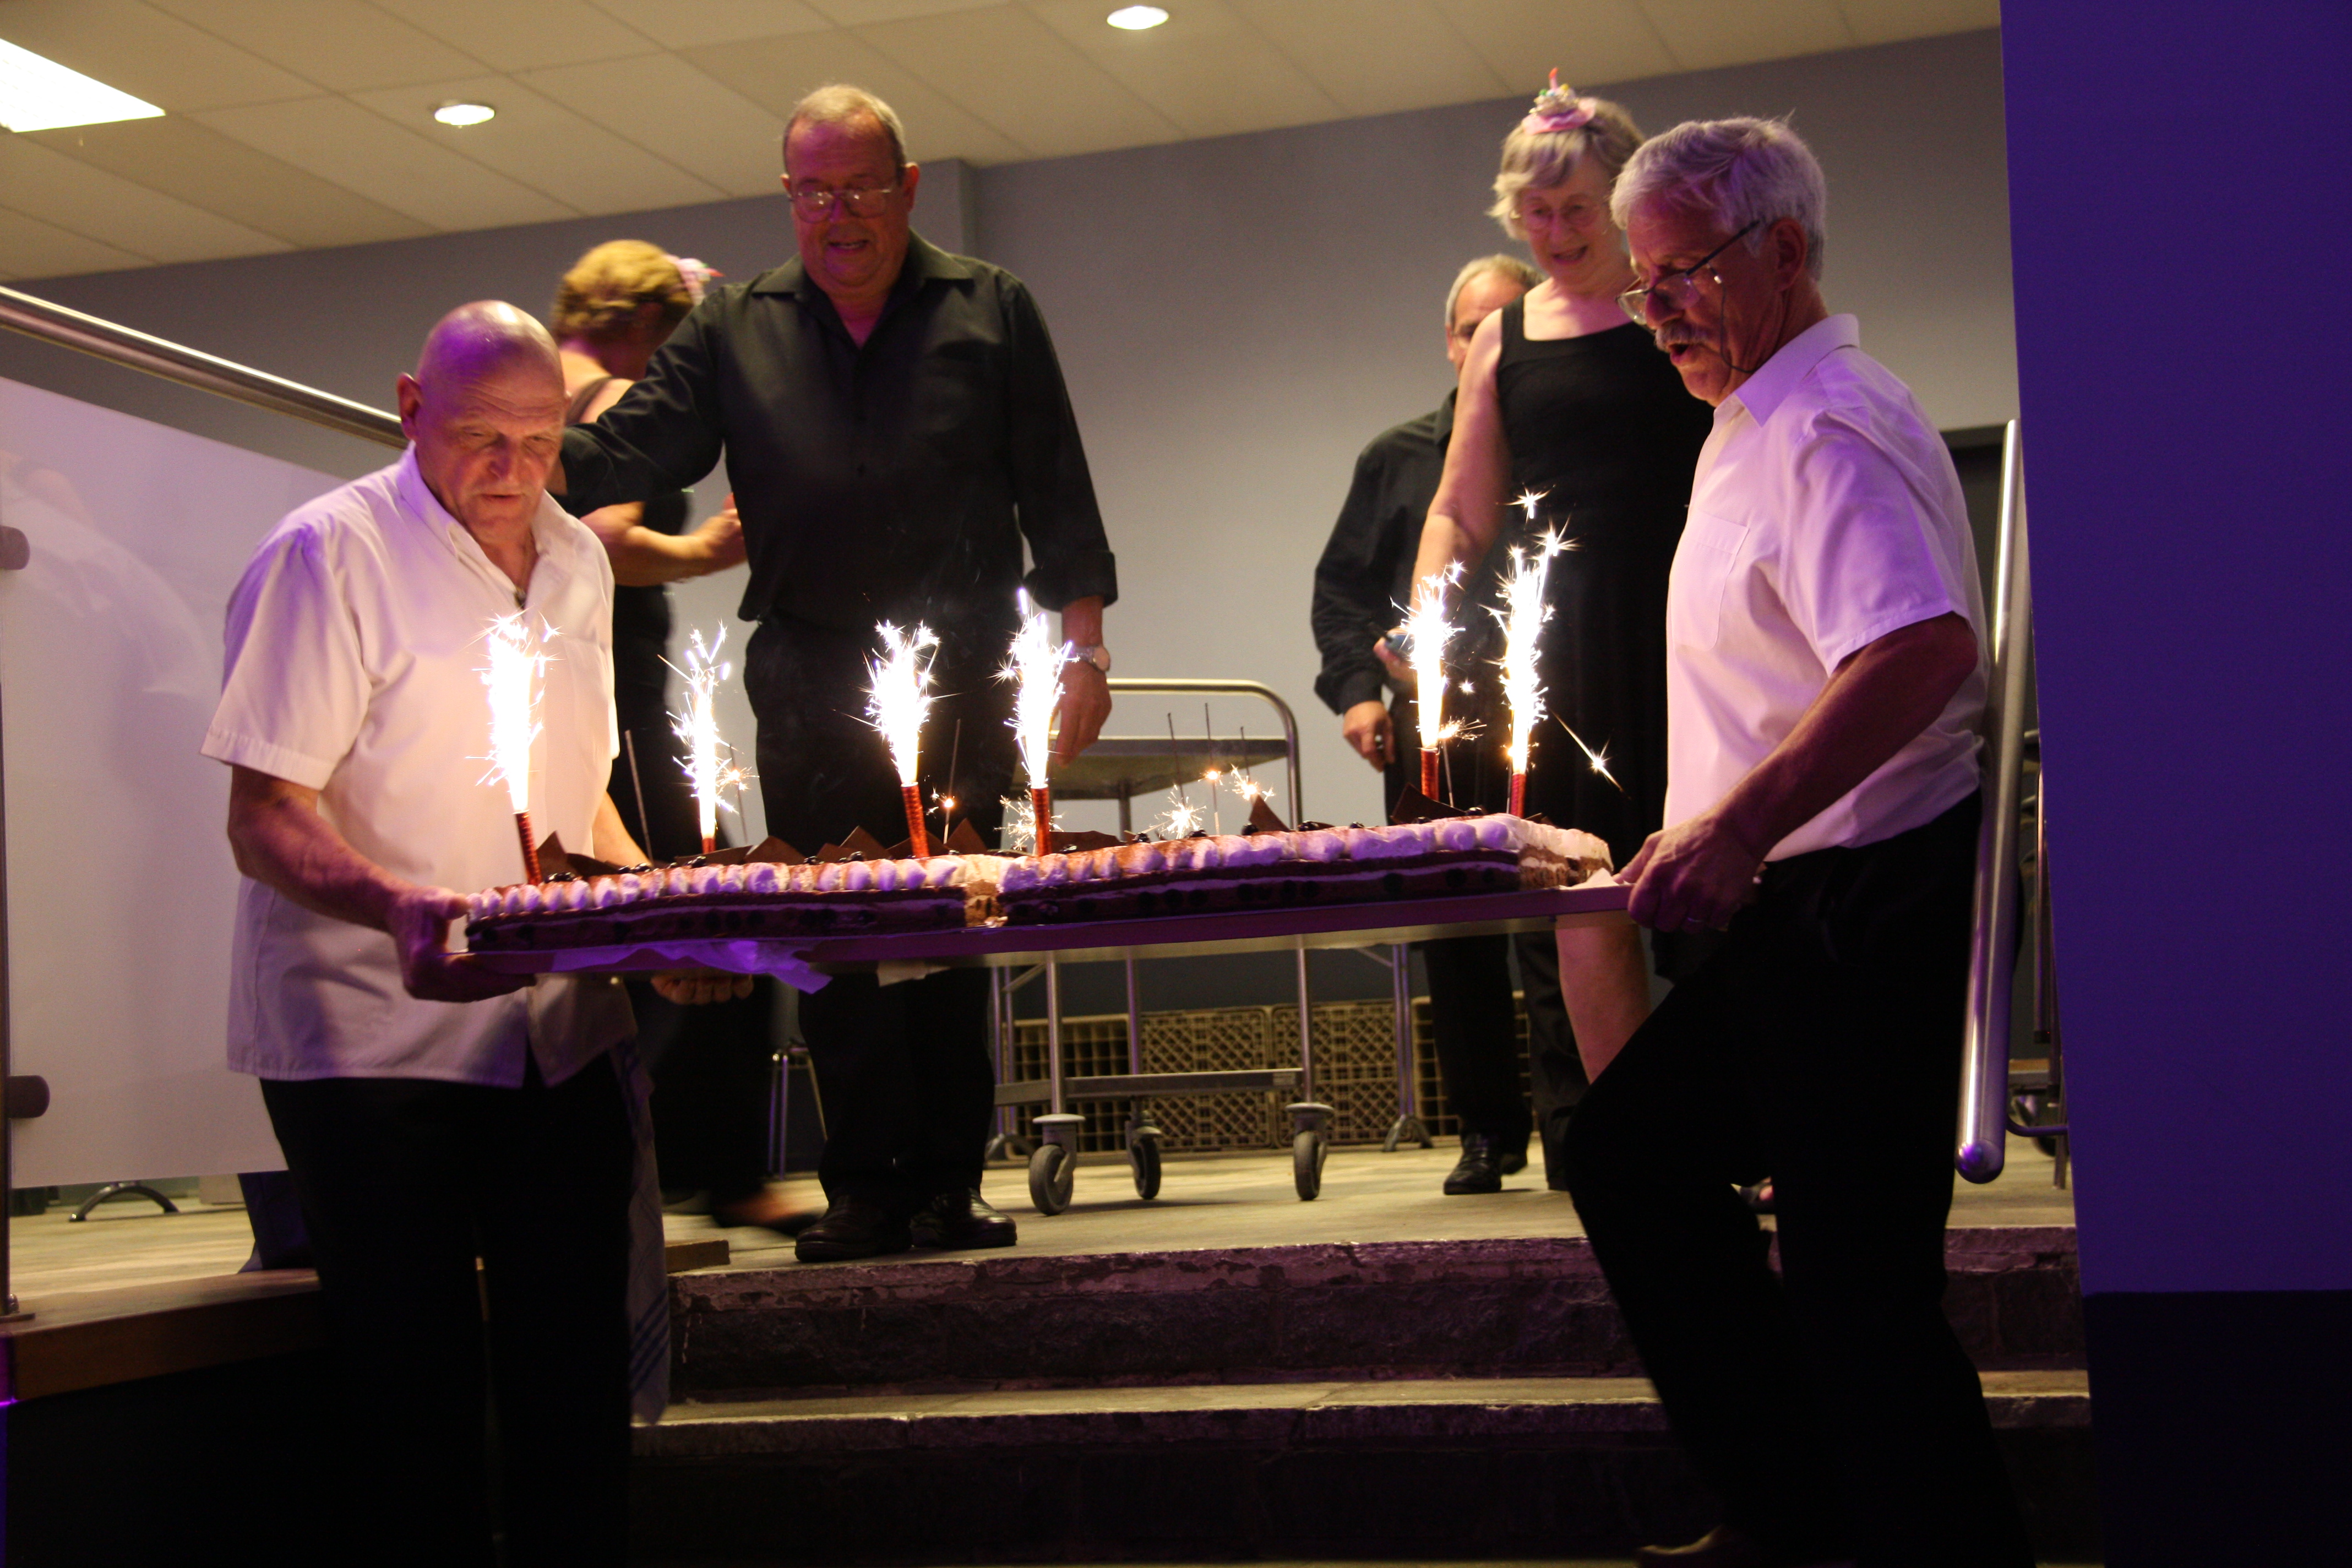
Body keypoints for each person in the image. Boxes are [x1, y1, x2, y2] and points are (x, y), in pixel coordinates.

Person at [1569, 118, 2032, 1567]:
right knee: (1641, 1167)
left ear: (1784, 250)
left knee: (1854, 1288)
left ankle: (1874, 1534)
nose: (1658, 312)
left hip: (1864, 901)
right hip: (1807, 905)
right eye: (1642, 284)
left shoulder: (1824, 420)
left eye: (1684, 274)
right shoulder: (1754, 419)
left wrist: (1740, 819)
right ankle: (1796, 1509)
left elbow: (1920, 650)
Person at [554, 85, 1117, 1262]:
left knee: (952, 923)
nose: (838, 215)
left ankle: (949, 1181)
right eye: (813, 192)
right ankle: (863, 1186)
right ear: (787, 197)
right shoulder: (734, 324)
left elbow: (1056, 482)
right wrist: (509, 441)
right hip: (807, 672)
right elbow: (632, 448)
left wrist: (1083, 650)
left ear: (906, 188)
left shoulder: (991, 306)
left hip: (965, 672)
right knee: (832, 932)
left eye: (859, 188)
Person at [202, 303, 665, 1565]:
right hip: (374, 1040)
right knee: (412, 1399)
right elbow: (264, 816)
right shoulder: (327, 556)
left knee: (574, 1384)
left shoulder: (576, 561)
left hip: (557, 1031)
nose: (513, 469)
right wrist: (403, 905)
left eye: (540, 439)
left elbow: (577, 800)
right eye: (480, 437)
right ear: (412, 408)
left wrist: (666, 911)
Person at [1406, 77, 1715, 1110]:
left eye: (1578, 208)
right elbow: (1460, 511)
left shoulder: (1677, 307)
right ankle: (1636, 1142)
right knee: (1586, 898)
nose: (1556, 232)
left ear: (1624, 202)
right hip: (1566, 656)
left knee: (1714, 883)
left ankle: (1743, 1132)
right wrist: (1429, 615)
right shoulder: (1504, 338)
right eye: (1535, 212)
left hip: (1686, 635)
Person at [549, 240, 810, 1236]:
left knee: (635, 924)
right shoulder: (615, 398)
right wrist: (705, 550)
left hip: (570, 694)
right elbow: (606, 540)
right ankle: (724, 1170)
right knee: (723, 913)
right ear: (652, 328)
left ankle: (678, 1165)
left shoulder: (541, 394)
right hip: (620, 699)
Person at [1313, 253, 1575, 1194]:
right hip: (1431, 723)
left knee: (1560, 925)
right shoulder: (1395, 458)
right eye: (1473, 329)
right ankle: (1487, 1134)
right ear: (1451, 342)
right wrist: (1358, 692)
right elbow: (1341, 593)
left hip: (1556, 718)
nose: (1487, 344)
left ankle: (1579, 1132)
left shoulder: (1563, 440)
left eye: (1507, 326)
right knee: (1456, 935)